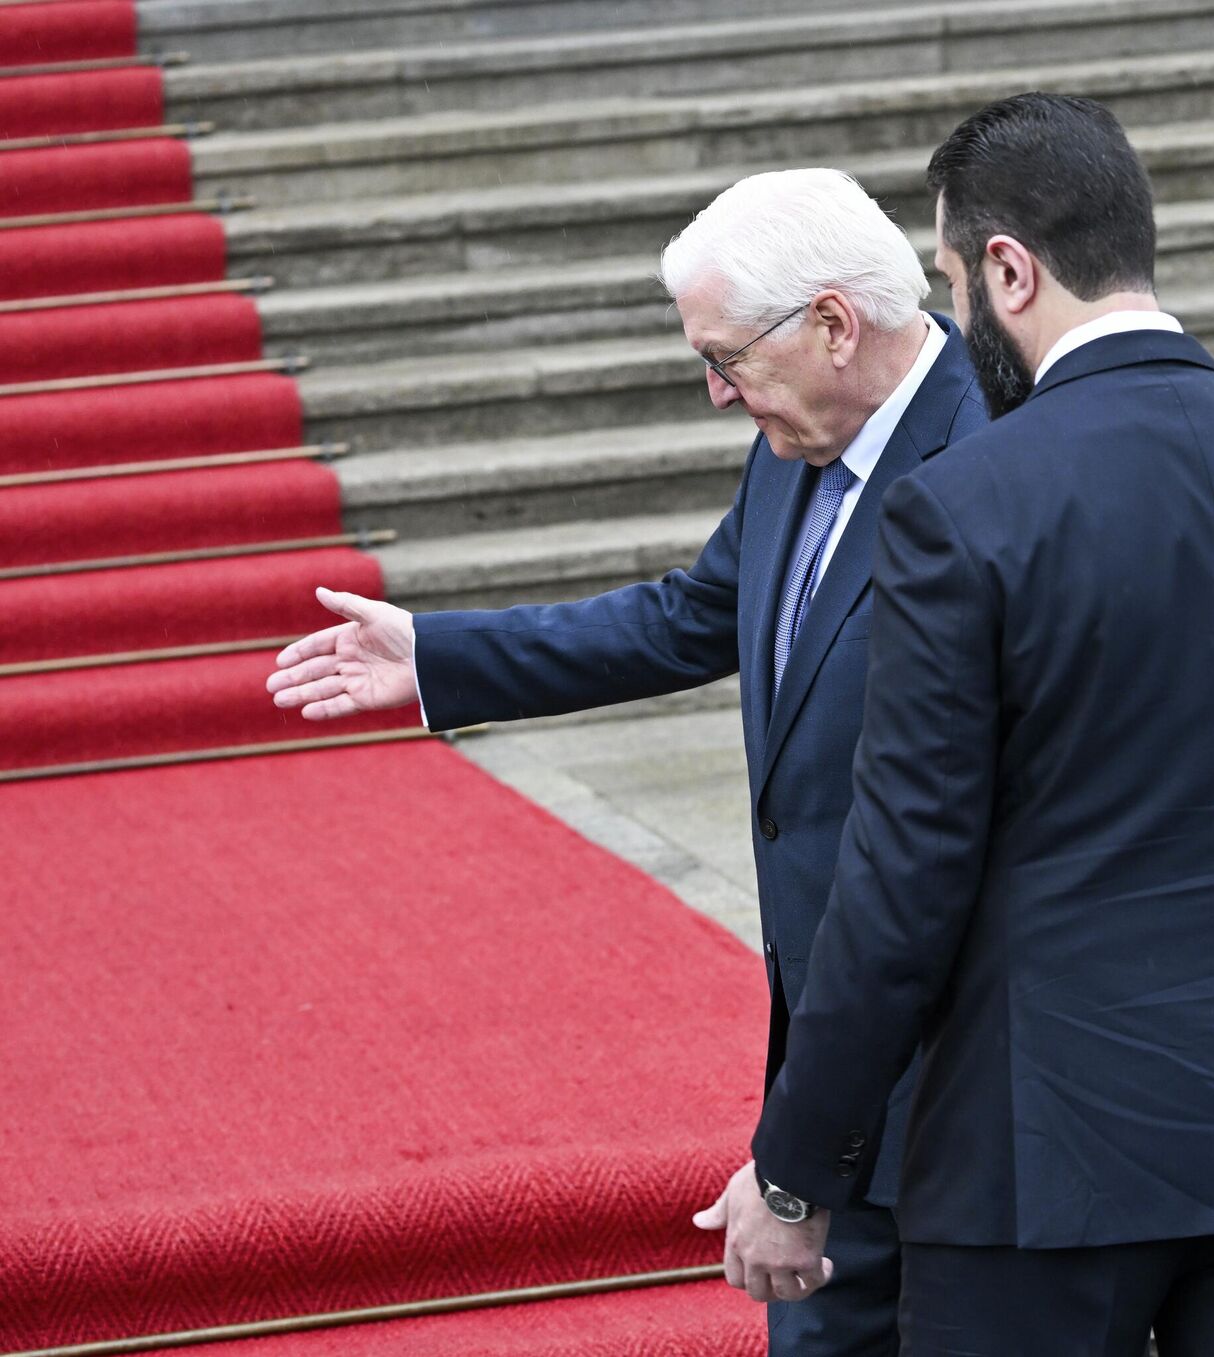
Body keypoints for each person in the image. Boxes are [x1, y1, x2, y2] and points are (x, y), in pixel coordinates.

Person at [704, 93, 1214, 1355]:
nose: (960, 317)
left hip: (1039, 1161)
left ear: (1009, 268)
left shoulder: (964, 505)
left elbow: (903, 880)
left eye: (955, 279)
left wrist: (795, 1171)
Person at [263, 167, 988, 1357]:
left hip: (960, 1084)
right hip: (835, 1064)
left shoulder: (998, 448)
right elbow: (691, 616)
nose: (714, 392)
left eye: (726, 356)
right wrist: (441, 655)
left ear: (833, 324)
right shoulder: (799, 436)